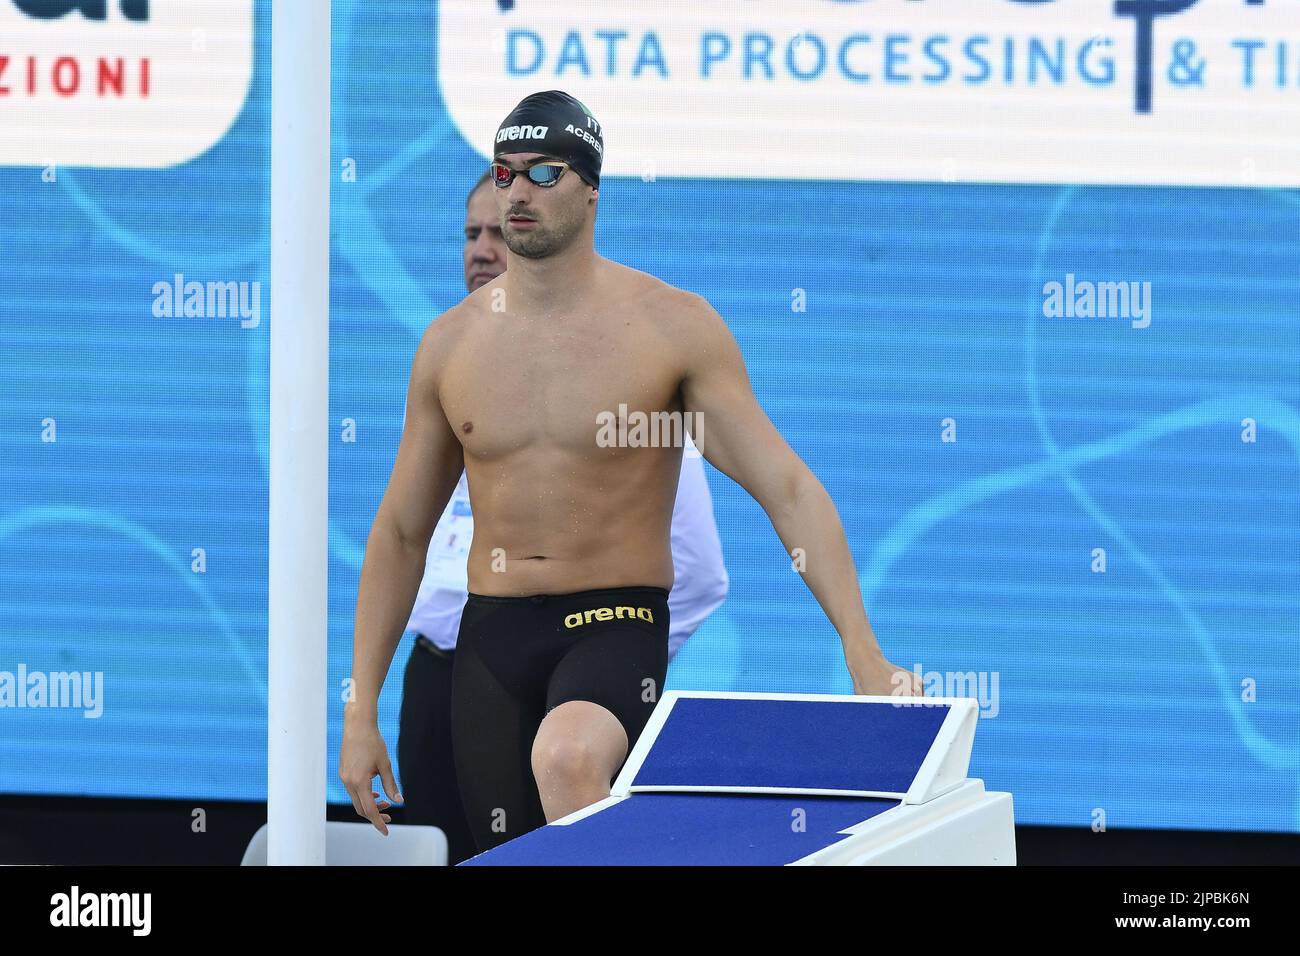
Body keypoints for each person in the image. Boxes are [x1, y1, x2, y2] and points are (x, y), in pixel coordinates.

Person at [341, 89, 924, 854]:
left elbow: (785, 486)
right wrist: (359, 713)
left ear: (591, 185)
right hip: (490, 636)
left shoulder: (670, 329)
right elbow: (401, 532)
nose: (518, 191)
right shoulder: (450, 347)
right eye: (505, 172)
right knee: (505, 853)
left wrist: (862, 648)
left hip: (614, 621)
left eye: (544, 172)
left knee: (569, 756)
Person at [394, 171, 729, 865]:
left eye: (499, 231)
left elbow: (698, 570)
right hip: (443, 677)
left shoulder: (625, 381)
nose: (484, 249)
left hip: (572, 667)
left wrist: (605, 667)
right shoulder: (448, 357)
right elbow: (404, 533)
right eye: (471, 234)